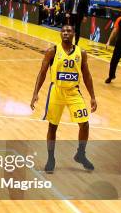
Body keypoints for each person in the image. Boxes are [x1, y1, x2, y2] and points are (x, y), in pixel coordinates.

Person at [30, 25, 97, 174]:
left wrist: (92, 96)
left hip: (74, 92)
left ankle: (80, 154)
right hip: (57, 91)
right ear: (60, 34)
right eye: (63, 31)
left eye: (69, 31)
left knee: (84, 124)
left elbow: (87, 75)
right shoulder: (52, 51)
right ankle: (51, 158)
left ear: (74, 34)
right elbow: (42, 73)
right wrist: (35, 93)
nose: (66, 33)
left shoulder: (82, 53)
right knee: (53, 126)